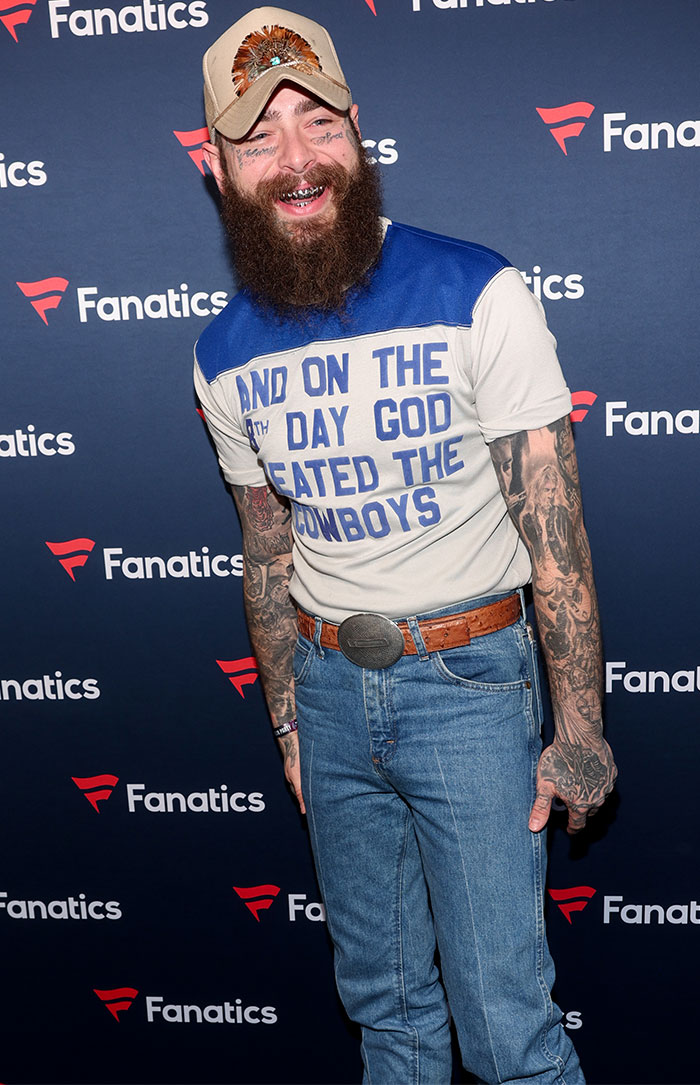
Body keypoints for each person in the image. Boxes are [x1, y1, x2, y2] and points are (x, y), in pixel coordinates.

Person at [193, 7, 617, 1082]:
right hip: (332, 693)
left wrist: (578, 728)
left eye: (316, 122)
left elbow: (554, 529)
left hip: (469, 687)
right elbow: (266, 549)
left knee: (507, 1027)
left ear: (357, 129)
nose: (296, 159)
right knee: (384, 1009)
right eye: (259, 136)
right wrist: (291, 716)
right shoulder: (222, 352)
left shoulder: (477, 290)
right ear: (217, 167)